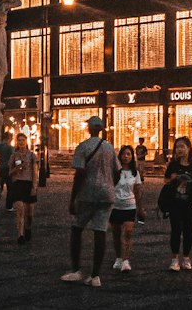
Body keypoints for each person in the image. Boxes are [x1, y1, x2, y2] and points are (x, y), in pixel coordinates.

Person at [60, 114, 118, 287]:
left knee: (77, 228)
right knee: (100, 231)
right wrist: (110, 186)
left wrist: (73, 199)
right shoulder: (109, 148)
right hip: (106, 194)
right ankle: (95, 275)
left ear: (89, 128)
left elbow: (79, 174)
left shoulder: (83, 147)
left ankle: (76, 269)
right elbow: (117, 171)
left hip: (87, 193)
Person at [162, 135, 192, 271]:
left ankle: (186, 257)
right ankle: (175, 259)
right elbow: (166, 182)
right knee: (175, 230)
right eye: (177, 147)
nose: (179, 149)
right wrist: (172, 178)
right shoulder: (173, 165)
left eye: (182, 146)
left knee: (188, 230)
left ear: (188, 149)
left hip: (189, 203)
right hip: (174, 202)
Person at [109, 143, 145, 273]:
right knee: (116, 233)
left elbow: (138, 190)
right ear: (120, 156)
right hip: (116, 205)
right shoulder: (115, 172)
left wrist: (141, 208)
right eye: (124, 154)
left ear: (132, 157)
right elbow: (109, 188)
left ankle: (126, 260)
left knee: (128, 232)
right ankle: (118, 257)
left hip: (130, 205)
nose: (126, 156)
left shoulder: (135, 173)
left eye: (129, 154)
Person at [8, 132, 38, 244]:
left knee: (29, 213)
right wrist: (17, 168)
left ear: (26, 142)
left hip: (29, 183)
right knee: (20, 210)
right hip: (18, 184)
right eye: (19, 140)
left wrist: (34, 187)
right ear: (17, 142)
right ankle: (20, 235)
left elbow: (35, 172)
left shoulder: (32, 155)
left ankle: (28, 228)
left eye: (23, 140)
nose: (21, 142)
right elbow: (10, 172)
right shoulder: (14, 156)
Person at [0, 129, 15, 210]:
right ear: (9, 138)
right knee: (10, 188)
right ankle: (9, 206)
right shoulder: (10, 148)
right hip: (7, 169)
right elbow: (12, 159)